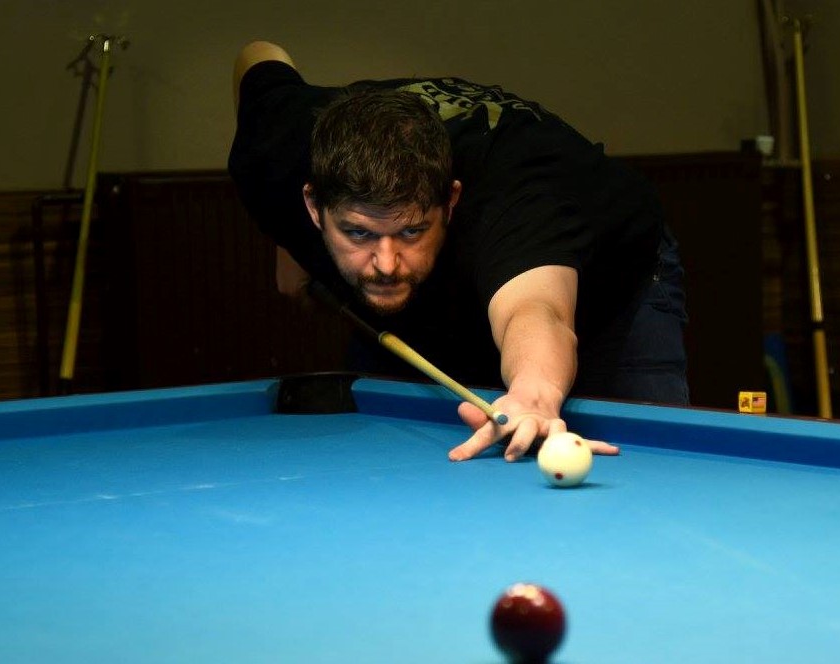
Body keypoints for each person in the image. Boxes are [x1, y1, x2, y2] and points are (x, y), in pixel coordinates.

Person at [228, 41, 688, 462]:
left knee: (645, 462)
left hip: (607, 286)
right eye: (358, 234)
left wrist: (534, 395)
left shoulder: (518, 204)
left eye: (411, 232)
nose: (386, 264)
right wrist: (286, 239)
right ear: (313, 206)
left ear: (450, 201)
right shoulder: (277, 146)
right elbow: (259, 53)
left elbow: (537, 310)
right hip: (444, 289)